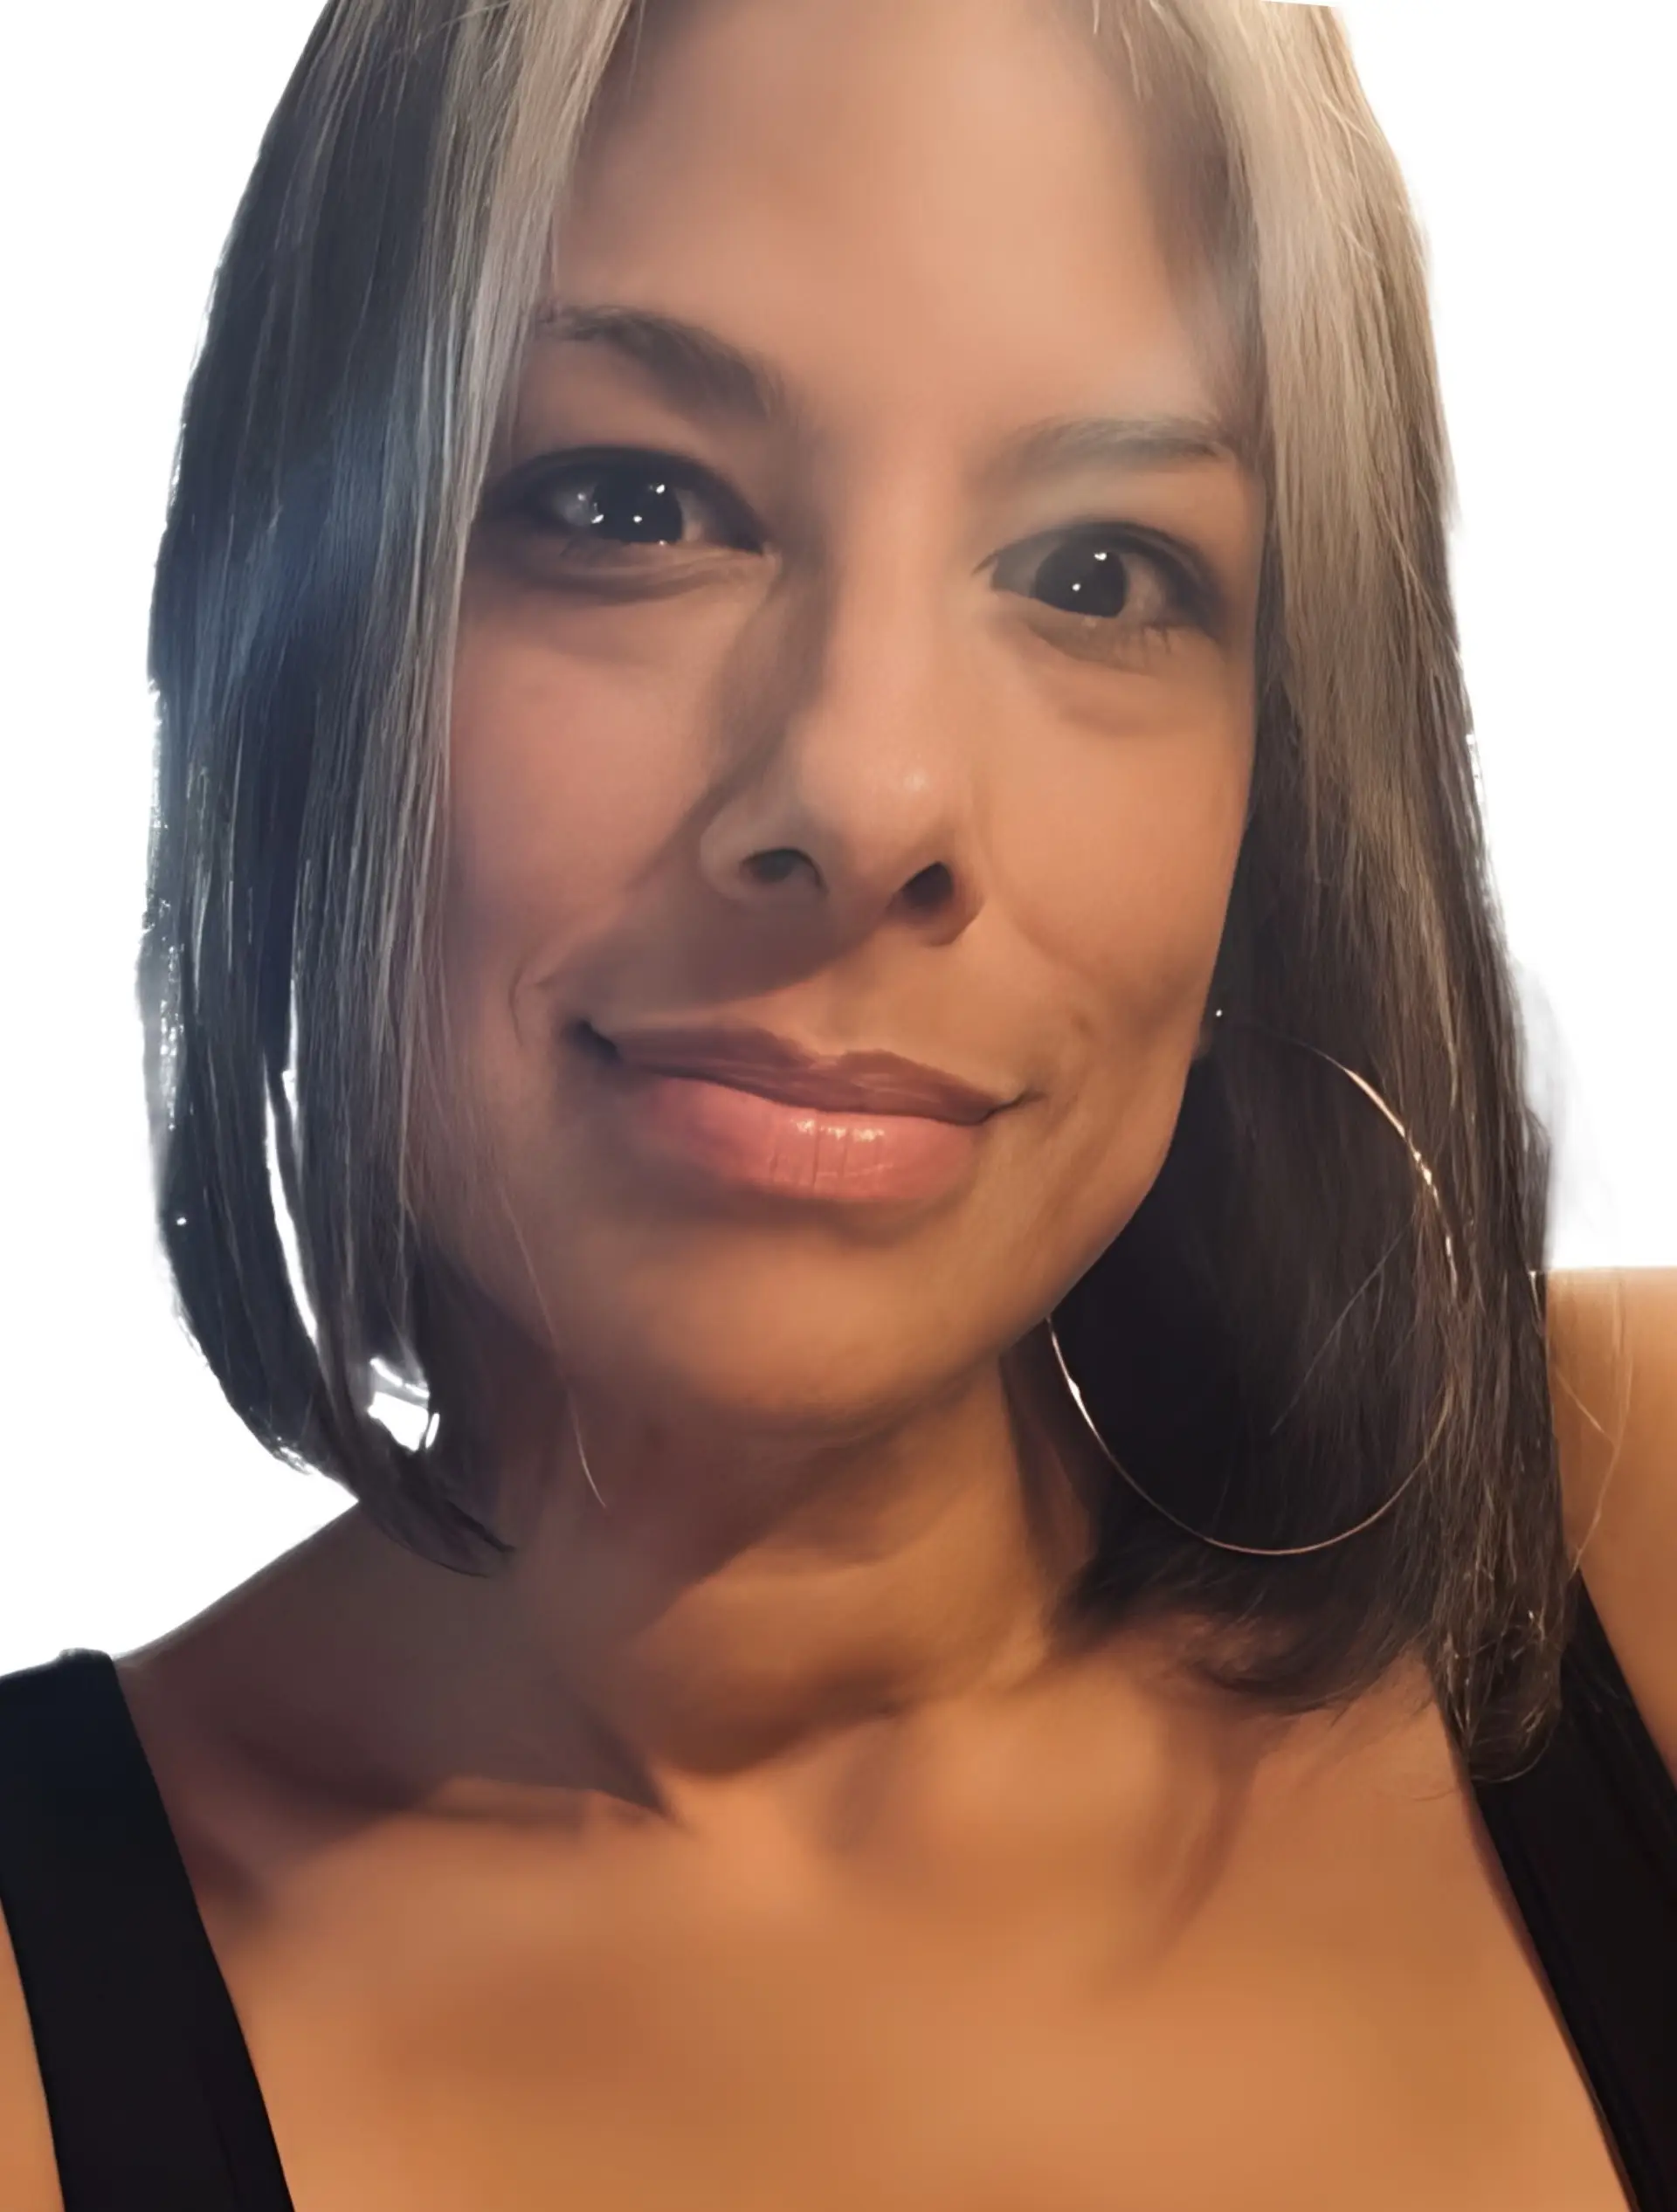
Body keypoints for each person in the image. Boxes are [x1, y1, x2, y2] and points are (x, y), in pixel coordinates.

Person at [1, 0, 1673, 2205]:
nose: (871, 793)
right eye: (632, 503)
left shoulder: (1630, 1528)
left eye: (1101, 571)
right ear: (297, 643)